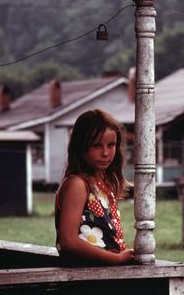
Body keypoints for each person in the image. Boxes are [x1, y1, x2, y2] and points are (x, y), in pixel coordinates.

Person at [54, 109, 134, 266]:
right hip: (82, 277)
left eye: (111, 145)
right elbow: (68, 240)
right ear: (81, 147)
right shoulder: (77, 184)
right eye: (96, 146)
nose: (105, 153)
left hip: (99, 273)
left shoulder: (102, 182)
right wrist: (116, 258)